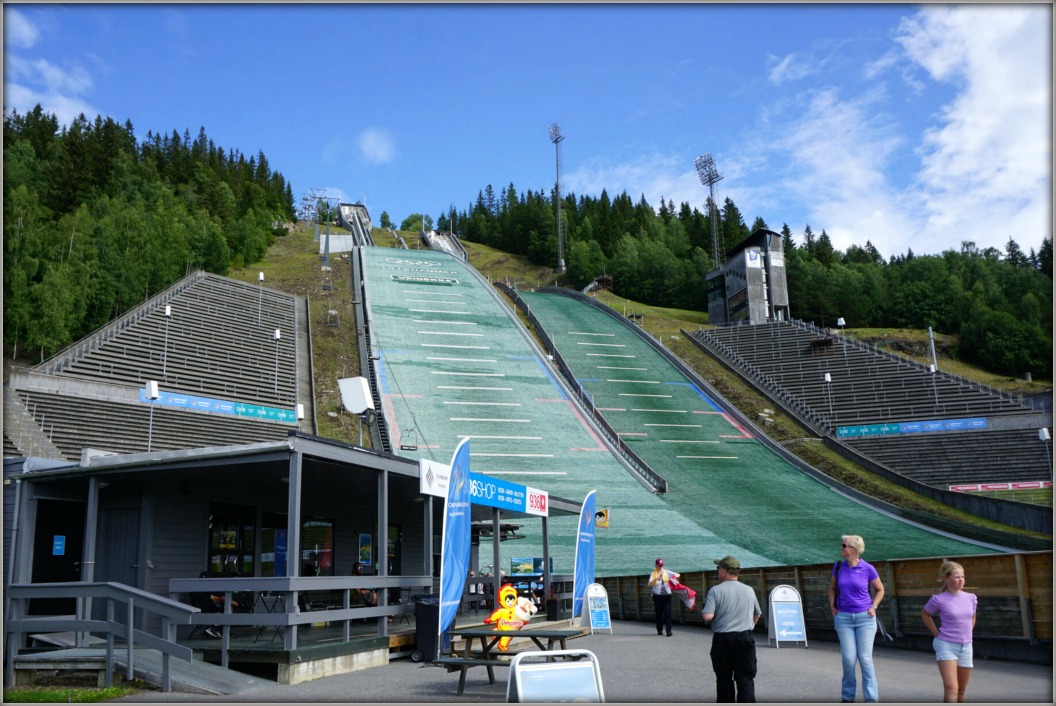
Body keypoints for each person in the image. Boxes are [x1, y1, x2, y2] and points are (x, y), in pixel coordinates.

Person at [828, 534, 885, 703]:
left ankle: (871, 699)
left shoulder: (868, 568)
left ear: (853, 549)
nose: (841, 548)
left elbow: (880, 590)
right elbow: (832, 589)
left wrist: (873, 607)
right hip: (843, 618)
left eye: (844, 545)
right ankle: (847, 697)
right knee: (848, 658)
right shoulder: (838, 567)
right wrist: (832, 606)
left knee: (865, 658)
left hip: (865, 618)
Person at [701, 555, 761, 703]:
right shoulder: (749, 590)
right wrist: (750, 626)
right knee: (745, 679)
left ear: (725, 571)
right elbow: (757, 614)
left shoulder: (715, 591)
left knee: (724, 679)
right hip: (745, 638)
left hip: (723, 640)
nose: (717, 571)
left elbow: (707, 616)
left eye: (718, 568)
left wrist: (715, 616)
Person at [920, 560, 977, 703]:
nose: (961, 580)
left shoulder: (971, 598)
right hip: (946, 646)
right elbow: (925, 614)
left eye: (962, 576)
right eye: (957, 577)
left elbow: (973, 616)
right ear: (946, 578)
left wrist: (968, 632)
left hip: (966, 647)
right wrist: (936, 633)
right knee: (952, 688)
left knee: (962, 690)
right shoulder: (938, 599)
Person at [647, 558, 678, 636]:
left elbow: (677, 574)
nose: (660, 567)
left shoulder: (666, 572)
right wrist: (656, 579)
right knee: (659, 614)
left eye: (661, 565)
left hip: (667, 595)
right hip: (657, 596)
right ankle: (659, 630)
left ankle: (668, 631)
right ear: (656, 565)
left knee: (667, 613)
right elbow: (649, 584)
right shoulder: (653, 574)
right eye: (659, 565)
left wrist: (672, 578)